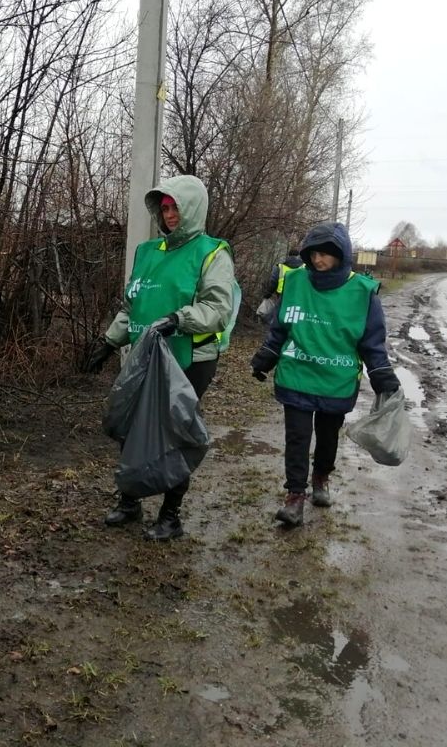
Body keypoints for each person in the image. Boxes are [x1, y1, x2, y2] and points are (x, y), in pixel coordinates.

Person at [83, 174, 236, 541]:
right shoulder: (148, 252)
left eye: (176, 207)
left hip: (189, 358)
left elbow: (218, 309)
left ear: (192, 209)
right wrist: (109, 341)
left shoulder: (212, 253)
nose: (169, 214)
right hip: (144, 356)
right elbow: (132, 307)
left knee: (174, 432)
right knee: (130, 426)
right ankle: (129, 501)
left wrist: (178, 320)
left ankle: (171, 516)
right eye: (164, 208)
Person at [251, 222, 397, 526]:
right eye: (313, 253)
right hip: (297, 374)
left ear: (342, 255)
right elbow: (280, 327)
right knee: (297, 438)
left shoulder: (362, 292)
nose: (318, 260)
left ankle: (321, 478)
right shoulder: (295, 282)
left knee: (328, 438)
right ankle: (295, 496)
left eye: (326, 254)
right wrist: (266, 357)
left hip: (336, 381)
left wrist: (382, 375)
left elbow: (372, 343)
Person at [255, 252, 306, 322]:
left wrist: (267, 295)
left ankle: (277, 324)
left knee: (281, 314)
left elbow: (273, 282)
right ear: (298, 256)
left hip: (282, 295)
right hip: (299, 295)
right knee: (296, 315)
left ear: (288, 256)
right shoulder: (304, 266)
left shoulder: (280, 267)